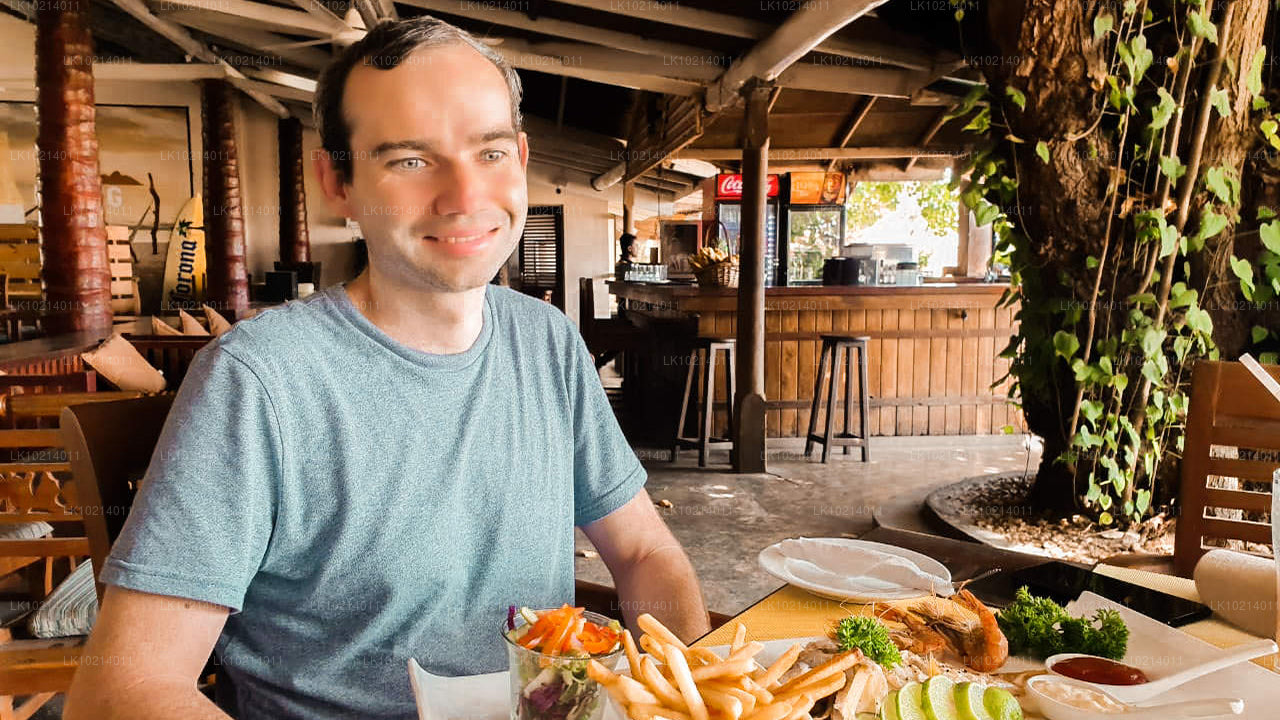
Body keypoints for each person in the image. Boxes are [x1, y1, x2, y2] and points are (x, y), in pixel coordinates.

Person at [65, 16, 708, 720]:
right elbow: (122, 689)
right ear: (335, 183)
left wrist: (691, 695)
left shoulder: (547, 340)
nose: (465, 195)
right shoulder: (258, 380)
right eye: (409, 159)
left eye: (490, 152)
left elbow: (645, 552)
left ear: (521, 160)